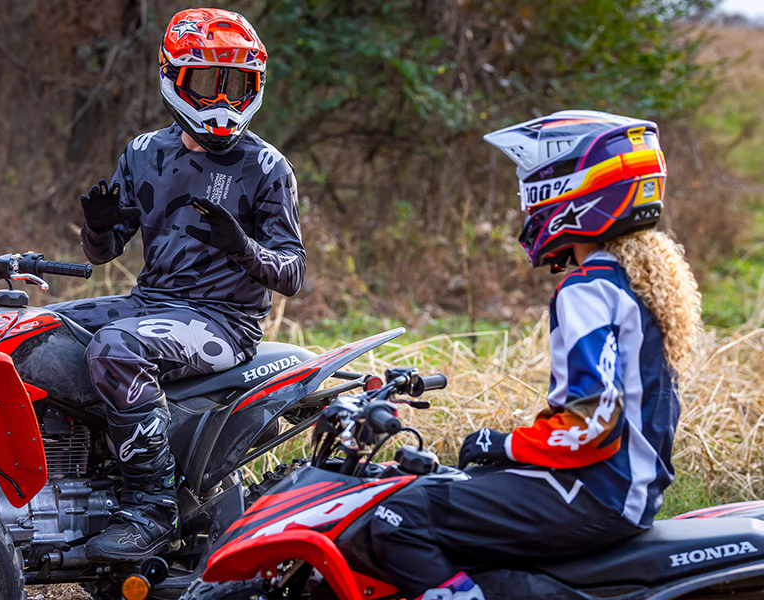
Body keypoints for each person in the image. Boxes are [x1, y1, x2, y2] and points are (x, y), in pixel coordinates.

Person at [369, 111, 702, 600]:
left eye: (533, 188)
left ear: (569, 192)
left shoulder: (588, 291)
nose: (527, 203)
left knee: (395, 517)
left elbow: (593, 423)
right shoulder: (631, 279)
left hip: (596, 492)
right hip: (622, 490)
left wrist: (505, 445)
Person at [46, 8, 305, 562]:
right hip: (153, 304)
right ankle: (72, 477)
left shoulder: (266, 166)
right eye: (207, 81)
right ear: (174, 78)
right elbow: (104, 252)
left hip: (225, 321)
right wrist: (96, 226)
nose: (222, 98)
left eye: (235, 84)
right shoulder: (145, 153)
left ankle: (153, 506)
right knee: (37, 331)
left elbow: (293, 273)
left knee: (117, 347)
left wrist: (243, 249)